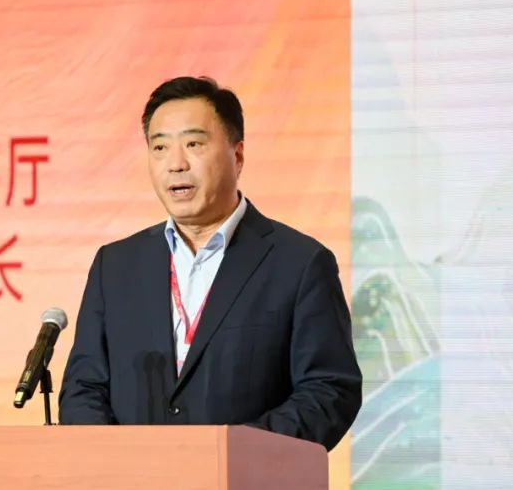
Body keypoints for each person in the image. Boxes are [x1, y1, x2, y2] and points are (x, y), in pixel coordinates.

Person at [57, 76, 361, 451]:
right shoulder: (115, 266)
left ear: (238, 155)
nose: (176, 164)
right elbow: (84, 386)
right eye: (159, 147)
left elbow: (329, 390)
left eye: (194, 144)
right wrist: (116, 460)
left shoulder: (300, 264)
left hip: (244, 474)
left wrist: (234, 451)